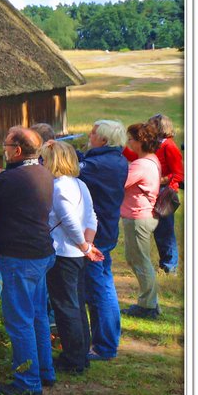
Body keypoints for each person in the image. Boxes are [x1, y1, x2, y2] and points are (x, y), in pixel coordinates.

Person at [0, 126, 55, 395]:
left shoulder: (10, 182)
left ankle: (27, 382)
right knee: (38, 316)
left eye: (6, 147)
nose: (3, 151)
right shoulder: (43, 172)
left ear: (18, 151)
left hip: (20, 258)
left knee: (19, 320)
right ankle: (45, 372)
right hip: (42, 253)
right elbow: (14, 181)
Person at [41, 140, 102, 374]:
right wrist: (88, 244)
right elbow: (91, 218)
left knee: (65, 306)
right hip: (77, 252)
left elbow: (69, 222)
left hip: (64, 252)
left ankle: (73, 358)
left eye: (45, 159)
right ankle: (80, 352)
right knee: (76, 305)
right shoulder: (79, 184)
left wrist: (85, 245)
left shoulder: (58, 187)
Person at [76, 119, 128, 361]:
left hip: (98, 235)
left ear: (104, 140)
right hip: (106, 231)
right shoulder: (114, 159)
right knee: (103, 285)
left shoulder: (98, 165)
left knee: (100, 290)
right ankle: (104, 341)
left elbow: (74, 168)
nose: (90, 134)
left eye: (94, 133)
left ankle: (105, 346)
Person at [121, 121, 163, 319]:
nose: (128, 142)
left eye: (130, 139)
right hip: (141, 215)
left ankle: (148, 306)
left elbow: (119, 183)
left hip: (139, 217)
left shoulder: (140, 165)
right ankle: (149, 303)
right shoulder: (151, 160)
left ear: (140, 141)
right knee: (136, 259)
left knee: (141, 262)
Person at [142, 114, 182, 275]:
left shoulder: (169, 146)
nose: (147, 126)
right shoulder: (154, 144)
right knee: (156, 229)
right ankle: (164, 264)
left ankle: (170, 266)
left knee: (165, 230)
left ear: (159, 127)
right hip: (153, 190)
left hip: (165, 193)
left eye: (150, 125)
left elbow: (179, 173)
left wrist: (160, 179)